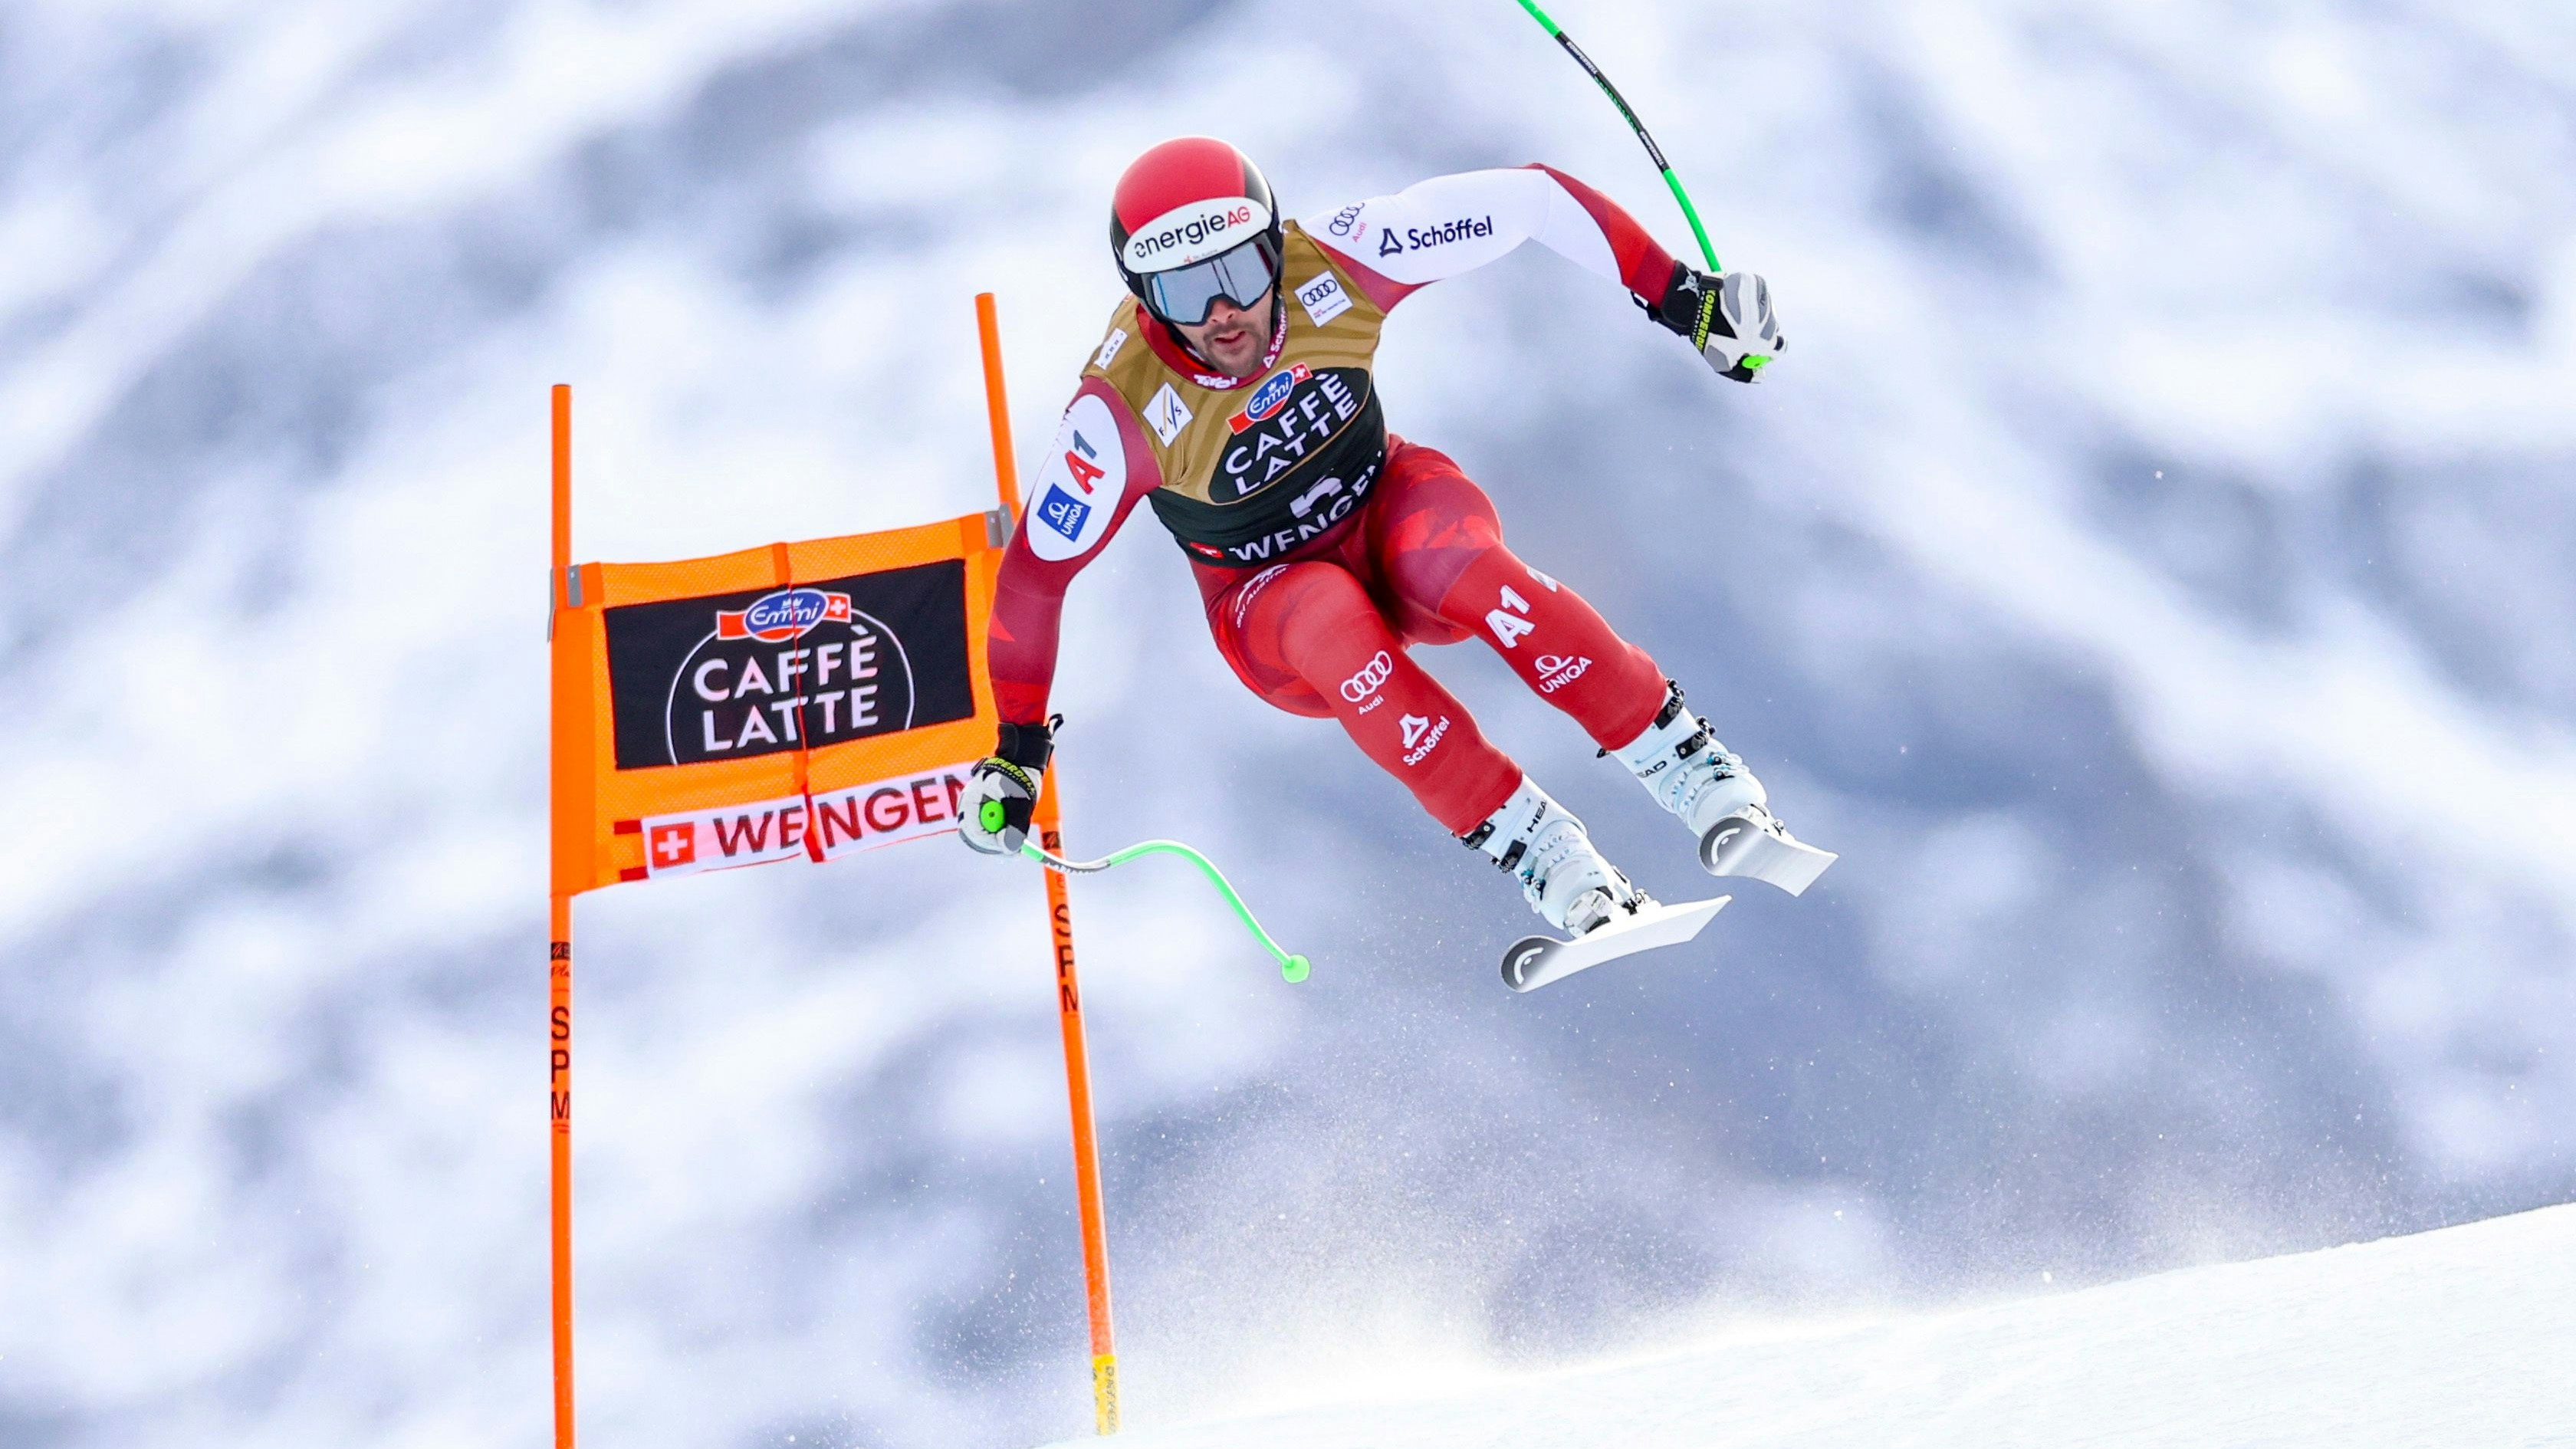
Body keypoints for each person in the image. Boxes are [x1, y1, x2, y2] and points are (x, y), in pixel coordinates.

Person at [960, 136, 1795, 940]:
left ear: (1274, 246)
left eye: (1240, 272)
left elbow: (1534, 200)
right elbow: (1035, 578)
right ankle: (1556, 868)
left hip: (1388, 509)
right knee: (1328, 615)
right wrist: (1018, 751)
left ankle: (1697, 772)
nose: (1222, 314)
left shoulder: (1341, 258)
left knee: (1464, 566)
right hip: (1270, 607)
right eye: (1184, 294)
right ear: (1143, 295)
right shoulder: (1118, 414)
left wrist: (1686, 298)